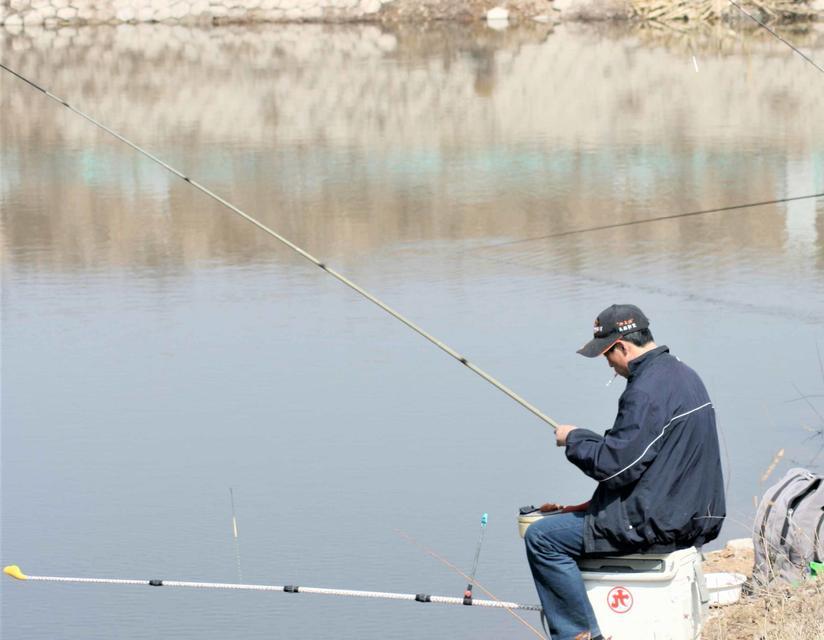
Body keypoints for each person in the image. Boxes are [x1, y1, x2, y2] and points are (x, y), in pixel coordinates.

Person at [524, 304, 726, 640]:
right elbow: (641, 457)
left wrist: (572, 440)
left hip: (658, 524)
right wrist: (587, 446)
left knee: (543, 538)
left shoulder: (646, 390)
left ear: (622, 347)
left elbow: (615, 468)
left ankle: (580, 634)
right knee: (571, 519)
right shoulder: (682, 374)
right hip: (691, 516)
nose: (610, 366)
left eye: (607, 356)